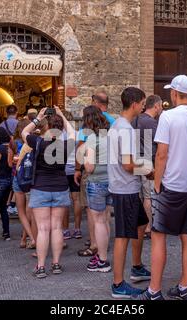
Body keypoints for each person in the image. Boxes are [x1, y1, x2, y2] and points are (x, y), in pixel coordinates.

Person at [134, 75, 187, 301]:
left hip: (172, 185)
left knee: (158, 236)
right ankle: (184, 286)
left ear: (175, 93)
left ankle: (154, 290)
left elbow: (162, 153)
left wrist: (157, 182)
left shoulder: (168, 117)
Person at [22, 107, 75, 278]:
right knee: (57, 227)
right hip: (60, 187)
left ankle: (41, 266)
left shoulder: (38, 142)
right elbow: (73, 133)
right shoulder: (66, 145)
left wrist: (38, 118)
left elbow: (24, 131)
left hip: (40, 188)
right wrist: (62, 117)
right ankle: (57, 264)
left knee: (43, 229)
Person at [108, 87, 150, 299]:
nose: (144, 107)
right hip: (125, 188)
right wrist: (149, 169)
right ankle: (118, 284)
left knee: (141, 224)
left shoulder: (119, 125)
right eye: (143, 103)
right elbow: (127, 164)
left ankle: (136, 266)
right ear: (134, 103)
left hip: (125, 187)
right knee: (123, 236)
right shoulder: (124, 129)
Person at [75, 90, 115, 257]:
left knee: (93, 212)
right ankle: (103, 241)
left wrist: (78, 169)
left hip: (93, 174)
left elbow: (80, 151)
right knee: (105, 213)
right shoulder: (112, 122)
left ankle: (94, 244)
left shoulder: (87, 129)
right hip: (109, 173)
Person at [80, 106, 112, 272]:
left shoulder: (91, 139)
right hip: (111, 181)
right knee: (106, 219)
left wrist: (84, 157)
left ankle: (103, 260)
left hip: (97, 182)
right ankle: (102, 254)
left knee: (98, 221)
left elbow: (90, 167)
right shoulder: (109, 136)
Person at [131, 95, 163, 239]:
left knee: (141, 195)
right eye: (160, 106)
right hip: (148, 161)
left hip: (136, 159)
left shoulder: (135, 120)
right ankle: (149, 227)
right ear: (156, 106)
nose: (161, 109)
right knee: (148, 196)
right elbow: (160, 143)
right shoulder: (152, 123)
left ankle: (141, 224)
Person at [8, 119, 37, 250]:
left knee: (21, 211)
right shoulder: (36, 141)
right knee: (29, 210)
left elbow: (12, 163)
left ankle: (30, 237)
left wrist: (17, 160)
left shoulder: (15, 143)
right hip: (31, 179)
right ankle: (25, 238)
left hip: (18, 178)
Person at [62, 110, 83, 241]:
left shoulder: (57, 135)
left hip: (63, 170)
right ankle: (77, 228)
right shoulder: (76, 134)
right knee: (76, 200)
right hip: (75, 169)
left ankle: (65, 230)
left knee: (65, 201)